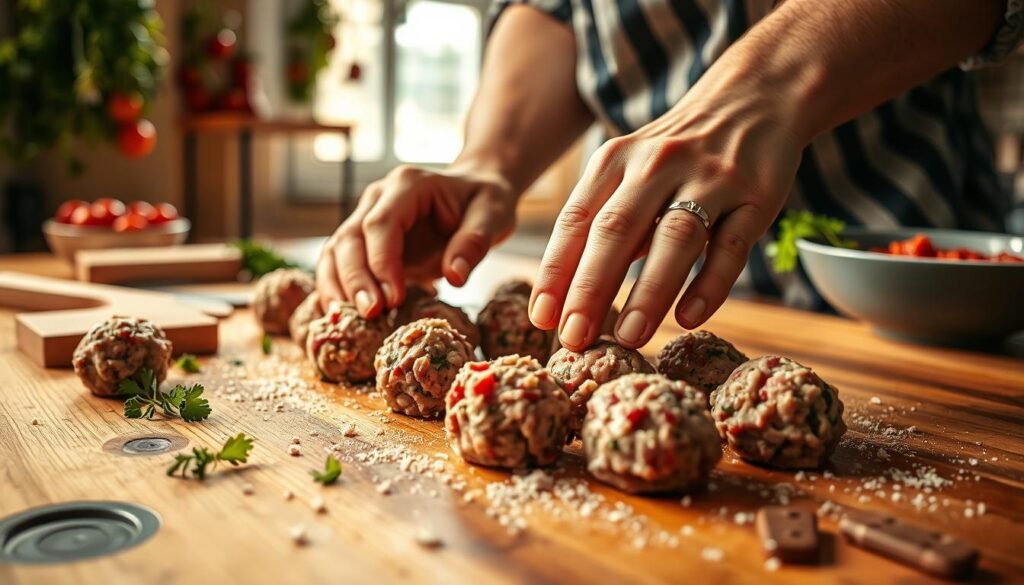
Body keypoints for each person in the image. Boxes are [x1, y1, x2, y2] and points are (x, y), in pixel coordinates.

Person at [316, 0, 1023, 353]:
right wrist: (486, 164)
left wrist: (766, 86)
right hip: (649, 307)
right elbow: (560, 11)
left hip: (914, 301)